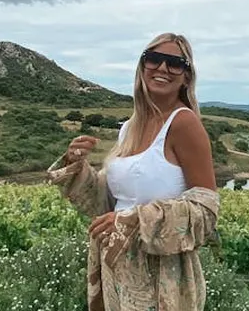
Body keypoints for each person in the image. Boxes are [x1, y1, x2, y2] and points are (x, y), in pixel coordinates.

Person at [46, 32, 220, 311]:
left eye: (175, 63)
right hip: (117, 267)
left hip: (161, 275)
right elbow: (111, 203)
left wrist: (135, 221)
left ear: (186, 76)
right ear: (142, 67)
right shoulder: (129, 127)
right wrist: (75, 165)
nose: (162, 68)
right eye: (154, 59)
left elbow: (206, 210)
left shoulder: (184, 123)